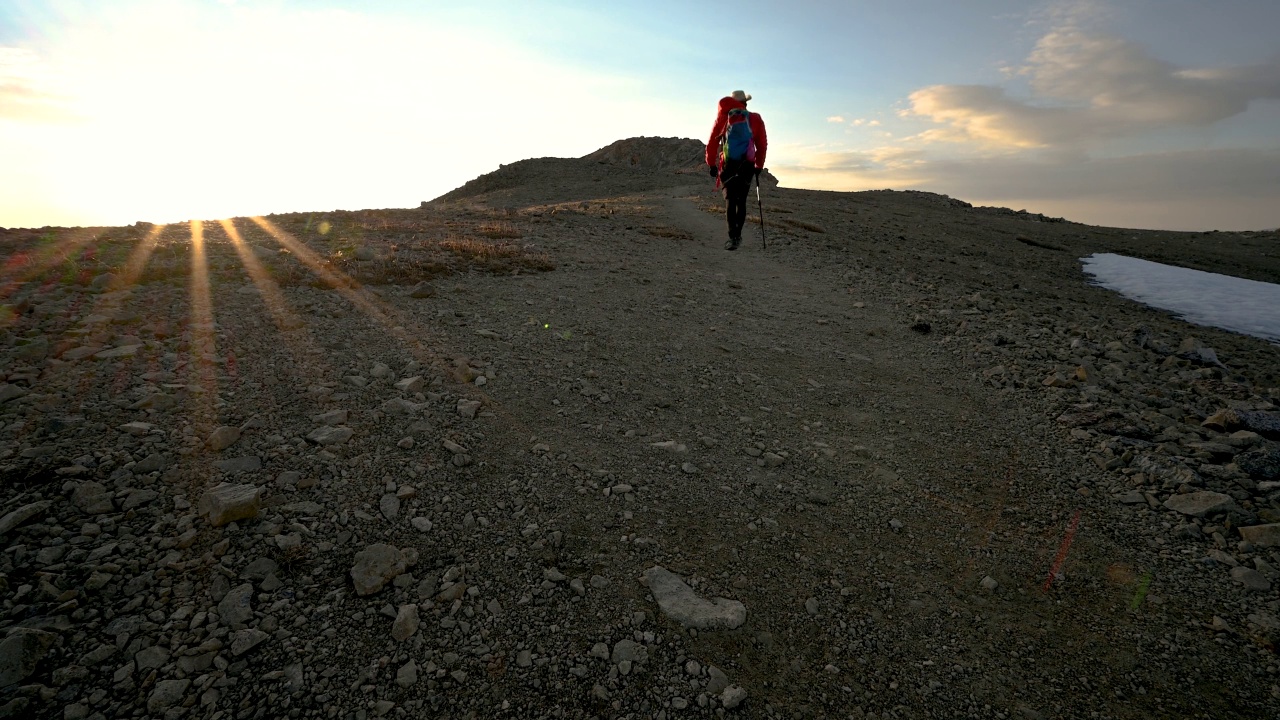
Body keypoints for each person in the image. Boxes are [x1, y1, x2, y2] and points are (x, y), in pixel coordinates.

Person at [706, 90, 768, 251]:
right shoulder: (755, 118)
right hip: (746, 165)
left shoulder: (723, 118)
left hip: (728, 165)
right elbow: (761, 145)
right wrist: (759, 166)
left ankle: (732, 237)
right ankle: (738, 235)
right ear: (745, 103)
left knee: (730, 201)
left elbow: (712, 142)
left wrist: (711, 164)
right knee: (741, 201)